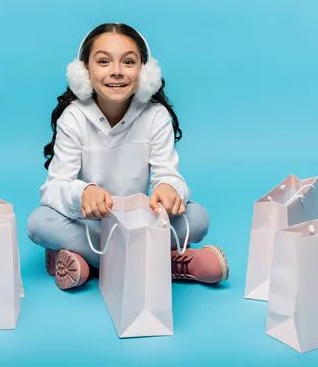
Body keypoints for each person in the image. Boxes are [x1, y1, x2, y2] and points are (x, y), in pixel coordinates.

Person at [27, 23, 229, 290]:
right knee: (39, 223)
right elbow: (53, 189)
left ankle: (89, 261)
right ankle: (166, 263)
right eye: (103, 61)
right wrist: (83, 193)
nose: (117, 71)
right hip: (91, 225)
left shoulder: (155, 116)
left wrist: (169, 188)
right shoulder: (74, 117)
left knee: (198, 217)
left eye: (128, 62)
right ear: (84, 71)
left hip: (139, 222)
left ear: (145, 73)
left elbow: (168, 174)